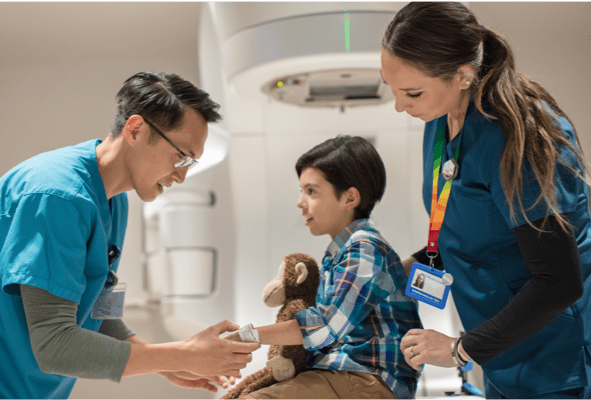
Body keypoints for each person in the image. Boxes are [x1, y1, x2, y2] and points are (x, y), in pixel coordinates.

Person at [0, 72, 260, 399]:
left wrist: (164, 362)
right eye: (182, 156)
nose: (182, 175)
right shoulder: (58, 196)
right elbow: (54, 346)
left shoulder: (115, 200)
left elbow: (99, 310)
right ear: (136, 129)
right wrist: (184, 353)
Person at [380, 2, 591, 399]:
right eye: (390, 89)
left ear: (463, 75)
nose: (399, 105)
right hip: (500, 349)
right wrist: (386, 276)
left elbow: (558, 282)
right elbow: (463, 234)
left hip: (556, 355)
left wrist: (459, 350)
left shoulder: (517, 136)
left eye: (411, 92)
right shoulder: (440, 121)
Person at [234, 135, 422, 399]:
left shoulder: (363, 250)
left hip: (368, 377)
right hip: (347, 374)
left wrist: (244, 337)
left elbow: (323, 328)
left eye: (311, 191)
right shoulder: (341, 253)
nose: (301, 202)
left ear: (350, 198)